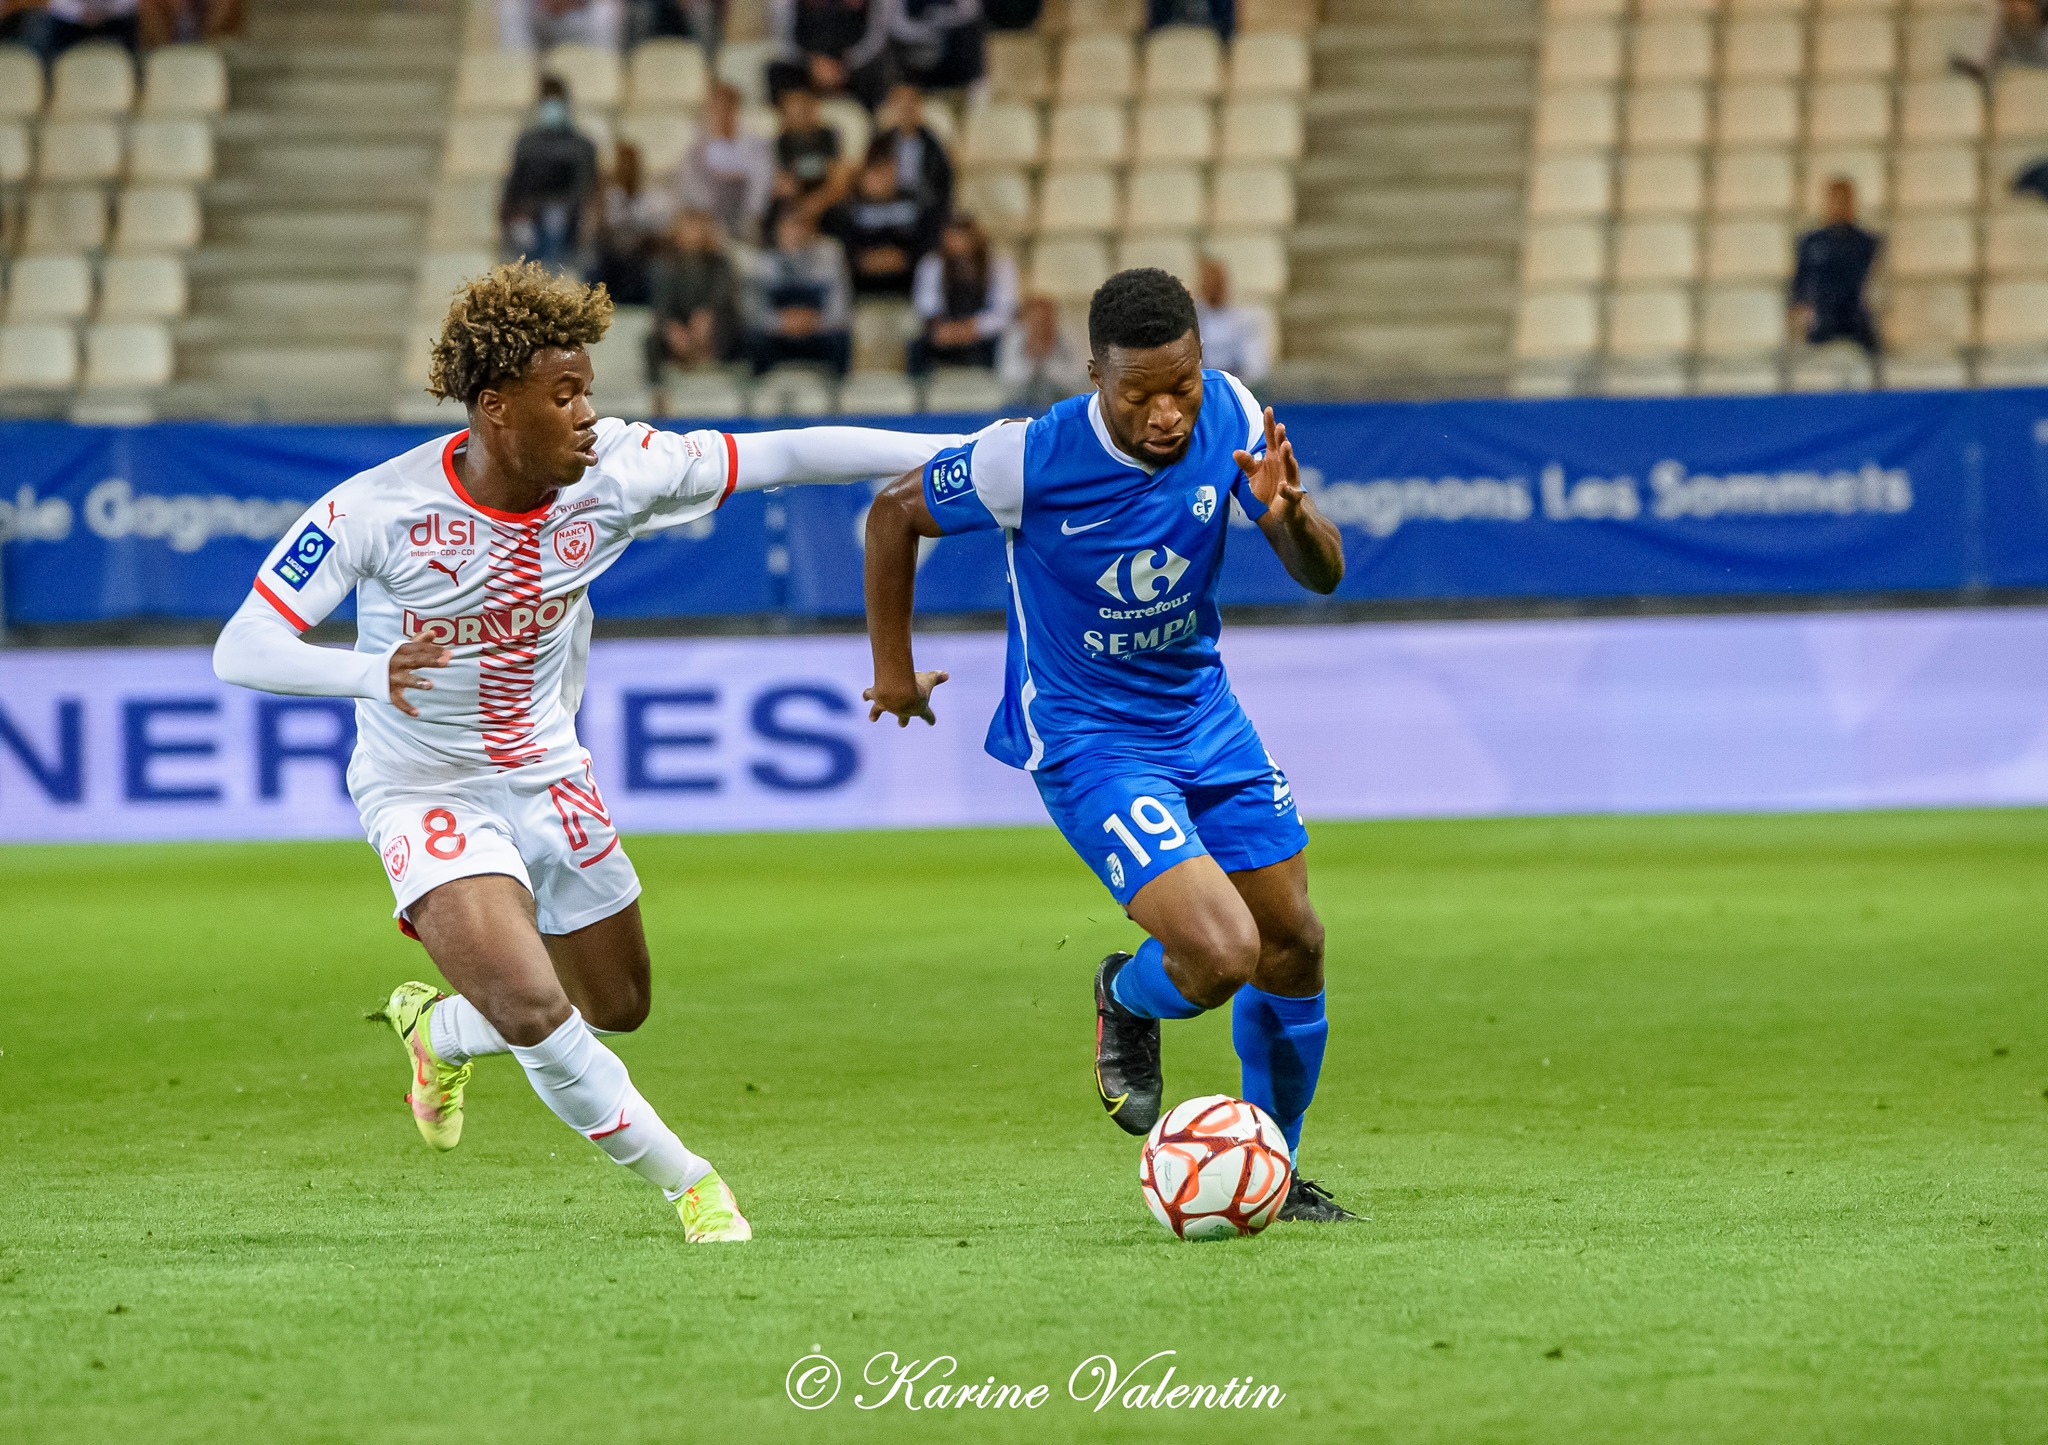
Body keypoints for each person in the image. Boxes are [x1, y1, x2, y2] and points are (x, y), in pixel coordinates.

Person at [211, 261, 965, 1243]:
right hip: (422, 785)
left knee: (616, 1002)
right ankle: (694, 1186)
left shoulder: (618, 469)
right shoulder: (375, 512)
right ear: (493, 408)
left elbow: (790, 451)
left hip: (549, 772)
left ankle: (438, 1028)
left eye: (589, 391)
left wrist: (975, 445)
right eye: (563, 394)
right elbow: (244, 645)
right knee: (530, 1002)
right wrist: (368, 669)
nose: (587, 415)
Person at [861, 267, 1356, 1224]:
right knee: (1219, 953)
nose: (1169, 413)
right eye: (1140, 394)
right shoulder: (1026, 459)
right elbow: (894, 511)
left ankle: (1272, 1171)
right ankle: (1128, 997)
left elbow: (1322, 575)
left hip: (1205, 715)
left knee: (1294, 945)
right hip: (1091, 738)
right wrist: (893, 668)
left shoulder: (1236, 417)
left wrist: (1291, 515)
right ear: (1095, 374)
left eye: (1185, 386)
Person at [500, 76, 602, 270]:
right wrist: (517, 214)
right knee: (522, 231)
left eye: (555, 101)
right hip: (529, 220)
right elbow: (513, 189)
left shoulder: (581, 146)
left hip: (566, 220)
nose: (551, 107)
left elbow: (585, 190)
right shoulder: (526, 143)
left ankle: (554, 274)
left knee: (554, 218)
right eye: (546, 101)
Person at [644, 208, 740, 408]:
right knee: (651, 340)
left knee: (736, 326)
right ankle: (658, 390)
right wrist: (672, 330)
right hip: (680, 330)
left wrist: (707, 317)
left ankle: (740, 387)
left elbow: (722, 297)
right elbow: (661, 305)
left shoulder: (719, 262)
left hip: (714, 329)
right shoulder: (665, 264)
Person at [743, 209, 854, 375]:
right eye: (788, 226)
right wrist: (781, 323)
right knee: (754, 338)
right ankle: (760, 395)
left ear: (811, 230)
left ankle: (838, 395)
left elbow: (840, 306)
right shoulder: (762, 264)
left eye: (800, 226)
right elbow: (752, 309)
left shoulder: (830, 258)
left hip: (818, 332)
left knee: (841, 338)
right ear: (777, 231)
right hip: (779, 334)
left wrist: (814, 322)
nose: (795, 232)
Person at [908, 213, 1014, 374]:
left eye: (963, 238)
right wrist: (944, 329)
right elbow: (925, 305)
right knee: (917, 347)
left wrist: (973, 328)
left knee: (1005, 343)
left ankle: (996, 392)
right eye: (953, 238)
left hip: (983, 334)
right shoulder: (932, 264)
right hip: (945, 329)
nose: (958, 245)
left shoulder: (1000, 265)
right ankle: (919, 394)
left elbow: (1004, 310)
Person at [671, 81, 775, 246]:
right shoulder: (695, 152)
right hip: (709, 219)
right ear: (708, 112)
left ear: (736, 110)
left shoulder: (757, 146)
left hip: (746, 218)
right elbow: (691, 188)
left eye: (727, 108)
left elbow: (761, 184)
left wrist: (753, 215)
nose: (722, 114)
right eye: (716, 109)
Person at [1789, 176, 1882, 358]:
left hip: (1856, 322)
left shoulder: (1867, 243)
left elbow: (1873, 284)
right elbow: (1800, 285)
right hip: (1822, 322)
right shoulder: (1811, 243)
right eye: (1834, 200)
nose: (1839, 206)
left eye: (1844, 200)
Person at [834, 151, 934, 297]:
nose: (882, 181)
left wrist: (907, 259)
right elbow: (843, 250)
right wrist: (864, 261)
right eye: (876, 174)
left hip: (908, 292)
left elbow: (927, 243)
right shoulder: (849, 210)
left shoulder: (913, 204)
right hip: (863, 295)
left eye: (887, 174)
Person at [864, 83, 953, 236]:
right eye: (900, 103)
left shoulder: (932, 143)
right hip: (887, 202)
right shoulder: (880, 143)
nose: (906, 109)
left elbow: (941, 182)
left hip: (921, 204)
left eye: (911, 102)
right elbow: (869, 180)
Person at [766, 0, 890, 109]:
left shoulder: (793, 47)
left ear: (812, 75)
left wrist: (808, 58)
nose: (828, 70)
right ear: (844, 76)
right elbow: (880, 24)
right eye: (833, 77)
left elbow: (780, 14)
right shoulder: (863, 51)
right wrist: (851, 58)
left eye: (823, 78)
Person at [588, 141, 667, 306]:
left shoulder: (650, 198)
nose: (626, 170)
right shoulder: (606, 198)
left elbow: (658, 230)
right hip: (611, 260)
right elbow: (596, 231)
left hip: (639, 261)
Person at [770, 83, 849, 229]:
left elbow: (838, 179)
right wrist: (801, 208)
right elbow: (785, 183)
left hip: (826, 200)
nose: (800, 113)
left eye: (803, 107)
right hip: (798, 203)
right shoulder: (782, 141)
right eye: (794, 109)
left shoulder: (828, 135)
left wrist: (814, 206)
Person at [996, 293, 1087, 411]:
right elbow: (1006, 379)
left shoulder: (1070, 337)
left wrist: (1048, 361)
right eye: (1036, 321)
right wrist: (1032, 361)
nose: (1041, 326)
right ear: (1027, 320)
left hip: (1064, 405)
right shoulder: (1013, 338)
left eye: (1046, 320)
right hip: (1018, 406)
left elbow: (1082, 379)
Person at [1193, 257, 1270, 385]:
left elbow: (1256, 369)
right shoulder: (1194, 321)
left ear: (1225, 283)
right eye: (1207, 281)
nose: (1212, 286)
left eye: (1216, 281)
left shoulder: (1245, 320)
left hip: (1236, 386)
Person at [877, 0, 985, 91]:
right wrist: (930, 31)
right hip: (915, 69)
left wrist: (940, 19)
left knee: (968, 34)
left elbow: (970, 11)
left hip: (957, 64)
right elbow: (896, 27)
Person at [1952, 0, 2048, 84]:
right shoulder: (2004, 27)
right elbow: (1988, 72)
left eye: (2022, 1)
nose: (2014, 7)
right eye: (2008, 2)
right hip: (2013, 94)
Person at [22, 0, 139, 60]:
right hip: (70, 21)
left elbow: (130, 3)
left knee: (132, 25)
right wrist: (82, 13)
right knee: (39, 21)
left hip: (113, 20)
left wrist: (103, 13)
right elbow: (55, 3)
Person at [498, 0, 625, 51]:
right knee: (510, 7)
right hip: (540, 13)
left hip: (585, 12)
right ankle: (518, 87)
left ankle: (601, 83)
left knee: (607, 11)